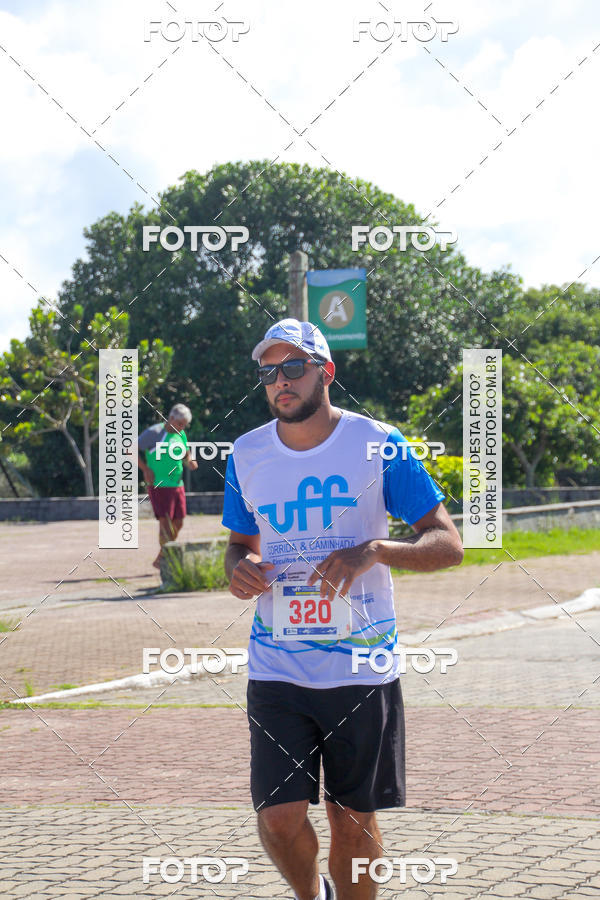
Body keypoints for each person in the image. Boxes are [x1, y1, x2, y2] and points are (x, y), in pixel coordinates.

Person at [222, 318, 464, 900]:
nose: (280, 381)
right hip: (276, 664)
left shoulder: (377, 443)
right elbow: (237, 545)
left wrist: (374, 551)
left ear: (325, 372)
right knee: (278, 819)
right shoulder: (246, 452)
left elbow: (447, 543)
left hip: (361, 666)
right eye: (269, 372)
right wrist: (237, 570)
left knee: (351, 819)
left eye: (294, 368)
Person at [138, 403, 198, 569]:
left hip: (177, 485)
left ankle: (162, 556)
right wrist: (145, 469)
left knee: (179, 522)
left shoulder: (181, 434)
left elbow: (186, 452)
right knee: (165, 524)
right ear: (171, 418)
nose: (182, 428)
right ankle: (166, 560)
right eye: (180, 424)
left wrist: (190, 461)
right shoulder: (154, 433)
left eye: (184, 425)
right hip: (159, 485)